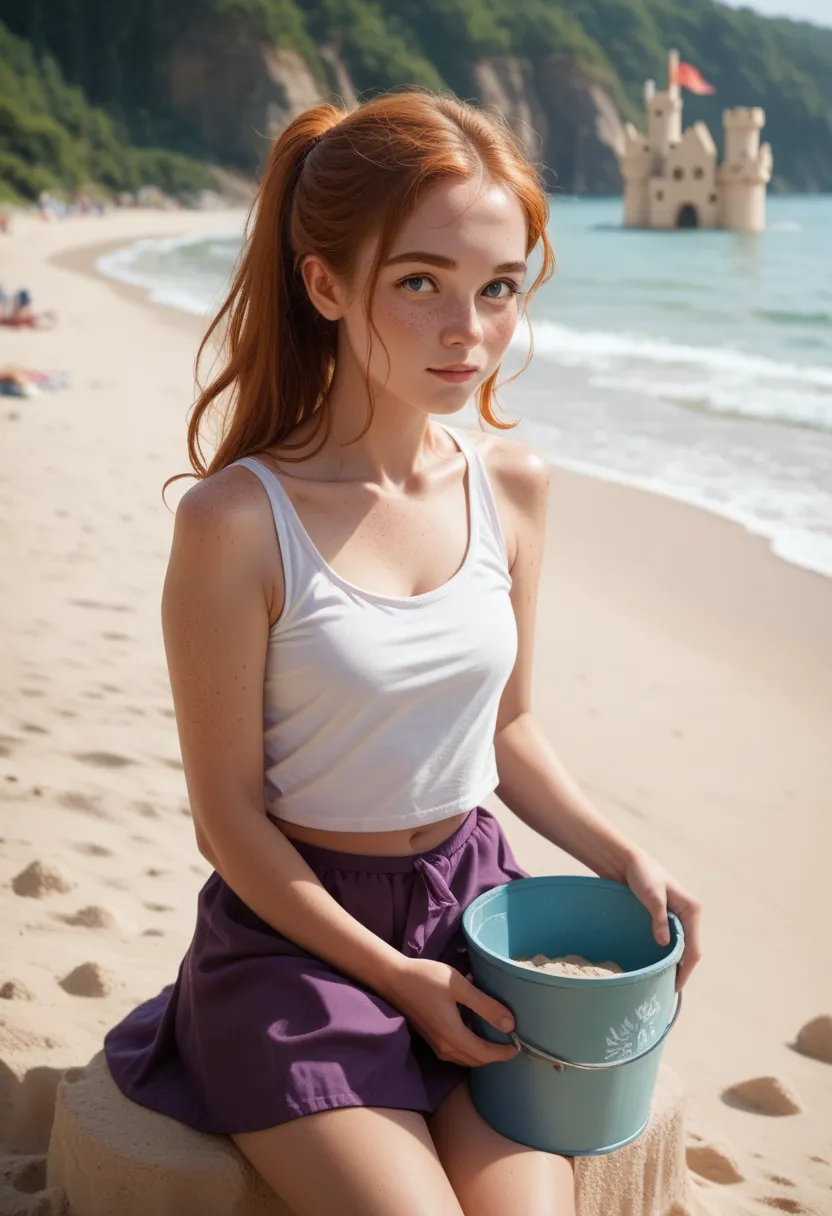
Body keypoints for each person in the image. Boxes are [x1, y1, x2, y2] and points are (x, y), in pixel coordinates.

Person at [103, 88, 702, 1215]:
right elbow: (227, 819)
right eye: (419, 281)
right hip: (295, 944)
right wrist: (393, 979)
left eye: (497, 288)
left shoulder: (513, 486)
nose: (466, 331)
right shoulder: (238, 522)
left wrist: (625, 855)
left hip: (479, 918)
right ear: (325, 283)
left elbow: (509, 729)